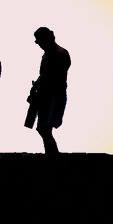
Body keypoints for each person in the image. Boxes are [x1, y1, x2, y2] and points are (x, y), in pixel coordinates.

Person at [25, 26, 71, 155]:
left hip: (53, 96)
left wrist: (40, 89)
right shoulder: (51, 53)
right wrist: (36, 88)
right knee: (44, 128)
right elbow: (44, 75)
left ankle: (53, 156)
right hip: (48, 95)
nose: (39, 44)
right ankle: (51, 155)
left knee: (44, 128)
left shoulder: (58, 54)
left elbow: (54, 77)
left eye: (39, 41)